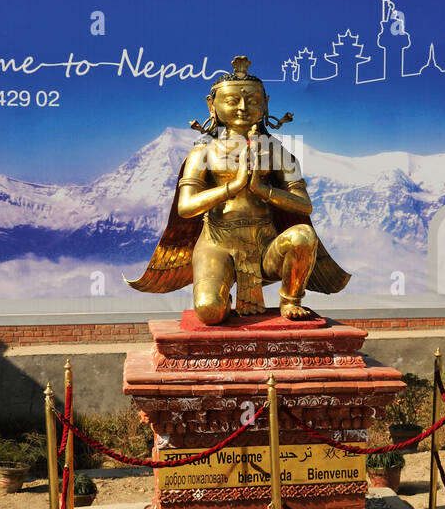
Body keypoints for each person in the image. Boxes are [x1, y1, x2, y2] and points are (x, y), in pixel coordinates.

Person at [126, 55, 349, 323]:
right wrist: (233, 186)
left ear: (265, 104)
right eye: (232, 101)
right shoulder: (204, 152)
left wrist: (262, 189)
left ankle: (290, 299)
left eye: (253, 101)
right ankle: (221, 291)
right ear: (212, 105)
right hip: (217, 243)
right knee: (210, 311)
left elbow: (304, 205)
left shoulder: (276, 152)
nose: (243, 107)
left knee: (303, 236)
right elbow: (186, 208)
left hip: (266, 244)